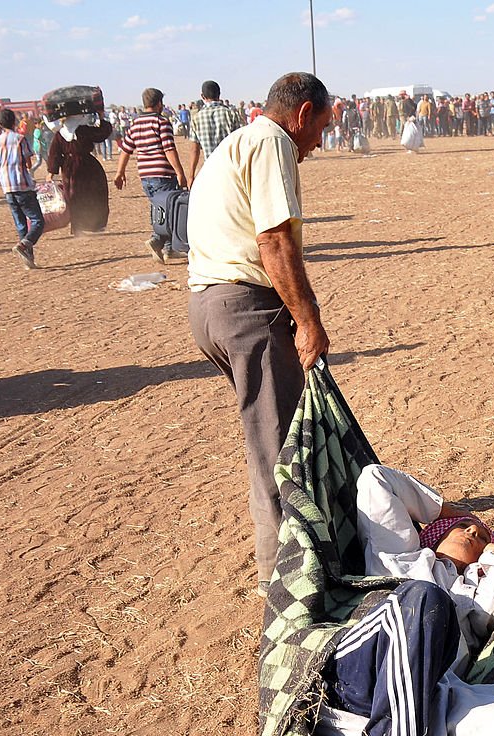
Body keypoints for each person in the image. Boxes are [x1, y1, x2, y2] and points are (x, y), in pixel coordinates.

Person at [315, 463, 494, 736]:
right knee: (423, 599)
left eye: (481, 536)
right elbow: (375, 479)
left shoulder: (469, 598)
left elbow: (493, 610)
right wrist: (450, 510)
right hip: (364, 666)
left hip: (426, 694)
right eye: (463, 528)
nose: (473, 533)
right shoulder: (397, 558)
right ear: (436, 533)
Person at [186, 72, 332, 595]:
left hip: (208, 306)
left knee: (267, 433)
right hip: (245, 308)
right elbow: (273, 241)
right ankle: (283, 576)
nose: (319, 143)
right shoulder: (274, 143)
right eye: (321, 127)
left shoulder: (236, 141)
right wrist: (310, 319)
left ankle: (291, 552)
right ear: (302, 114)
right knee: (277, 445)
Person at [114, 87, 188, 262]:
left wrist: (120, 172)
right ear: (159, 103)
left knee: (159, 209)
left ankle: (169, 249)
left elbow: (125, 150)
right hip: (162, 174)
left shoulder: (135, 124)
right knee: (170, 210)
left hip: (145, 176)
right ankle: (157, 240)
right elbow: (169, 149)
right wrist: (179, 172)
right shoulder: (161, 122)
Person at [0, 107, 44, 269]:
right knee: (37, 221)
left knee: (21, 224)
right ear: (14, 121)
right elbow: (28, 162)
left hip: (7, 187)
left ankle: (28, 261)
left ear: (0, 124)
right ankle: (24, 245)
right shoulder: (20, 139)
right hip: (22, 184)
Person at [47, 113, 113, 235]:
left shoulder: (61, 134)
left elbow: (54, 154)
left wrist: (52, 171)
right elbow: (103, 133)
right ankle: (92, 225)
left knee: (75, 196)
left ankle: (84, 226)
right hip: (87, 166)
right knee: (91, 195)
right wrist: (102, 117)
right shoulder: (84, 130)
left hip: (70, 169)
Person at [188, 80, 243, 183]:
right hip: (230, 170)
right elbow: (240, 144)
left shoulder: (196, 118)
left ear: (202, 96)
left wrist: (191, 175)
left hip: (210, 169)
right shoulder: (231, 114)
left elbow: (194, 150)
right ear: (219, 94)